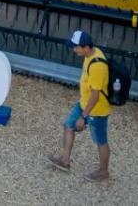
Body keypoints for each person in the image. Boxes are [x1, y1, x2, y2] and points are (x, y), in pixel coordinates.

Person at [49, 30, 111, 181]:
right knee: (68, 125)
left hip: (96, 110)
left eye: (76, 47)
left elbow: (96, 96)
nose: (74, 49)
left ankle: (103, 171)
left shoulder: (97, 66)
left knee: (100, 140)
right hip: (84, 103)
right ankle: (65, 160)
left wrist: (84, 117)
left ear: (86, 47)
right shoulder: (89, 55)